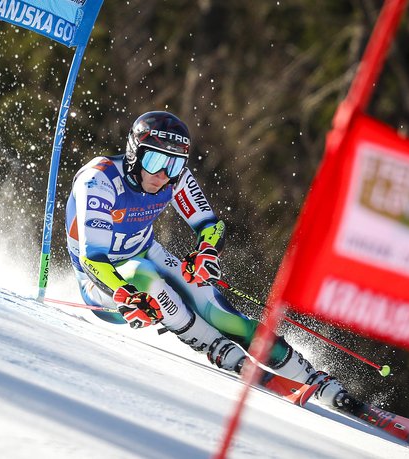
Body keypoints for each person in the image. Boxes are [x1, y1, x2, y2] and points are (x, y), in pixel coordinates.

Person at [65, 111, 346, 406]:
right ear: (135, 154)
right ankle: (220, 349)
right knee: (148, 278)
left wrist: (206, 252)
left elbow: (211, 226)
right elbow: (92, 258)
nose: (163, 175)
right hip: (101, 283)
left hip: (146, 250)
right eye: (155, 161)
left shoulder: (174, 180)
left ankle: (312, 379)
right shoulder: (99, 180)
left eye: (173, 165)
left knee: (222, 314)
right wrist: (125, 294)